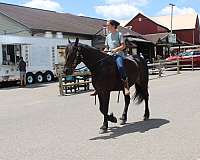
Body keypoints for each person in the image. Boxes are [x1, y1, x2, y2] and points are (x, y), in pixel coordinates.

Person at [90, 19, 130, 96]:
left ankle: (125, 85)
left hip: (118, 55)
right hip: (109, 55)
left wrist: (116, 49)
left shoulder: (119, 34)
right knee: (100, 67)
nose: (106, 26)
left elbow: (123, 46)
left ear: (113, 26)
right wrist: (103, 52)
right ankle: (98, 86)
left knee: (120, 66)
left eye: (108, 25)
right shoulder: (108, 36)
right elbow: (106, 48)